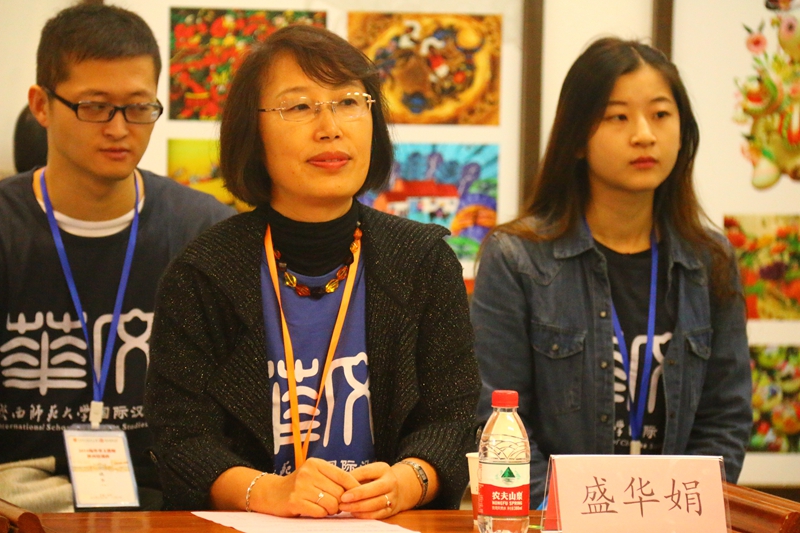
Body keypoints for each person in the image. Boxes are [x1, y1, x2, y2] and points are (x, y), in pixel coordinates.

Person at [144, 25, 480, 518]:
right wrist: (267, 492)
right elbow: (180, 438)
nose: (330, 127)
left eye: (348, 102)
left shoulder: (422, 261)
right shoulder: (204, 273)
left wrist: (408, 480)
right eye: (299, 106)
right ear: (253, 131)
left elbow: (453, 418)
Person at [471, 37, 751, 506]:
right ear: (577, 137)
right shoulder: (517, 258)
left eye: (660, 114)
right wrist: (570, 515)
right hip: (556, 521)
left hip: (677, 519)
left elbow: (726, 418)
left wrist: (680, 513)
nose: (643, 135)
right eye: (617, 117)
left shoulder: (711, 260)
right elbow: (496, 420)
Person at [0, 3, 234, 512]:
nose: (119, 128)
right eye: (95, 106)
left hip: (166, 505)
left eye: (138, 107)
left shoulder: (203, 231)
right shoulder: (8, 229)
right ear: (41, 105)